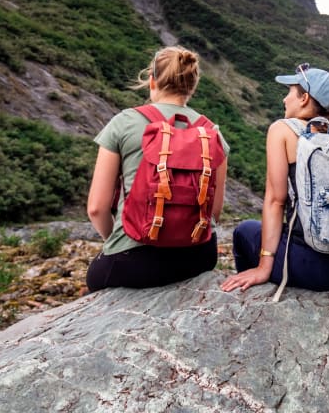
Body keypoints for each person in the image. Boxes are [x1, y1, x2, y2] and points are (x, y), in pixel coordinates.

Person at [85, 46, 229, 291]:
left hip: (133, 262)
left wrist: (116, 242)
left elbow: (96, 208)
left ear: (152, 81)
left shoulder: (124, 122)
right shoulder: (212, 133)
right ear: (192, 86)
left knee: (95, 277)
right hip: (199, 257)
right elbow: (214, 212)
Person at [221, 64, 329, 293]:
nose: (284, 99)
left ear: (304, 99)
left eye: (289, 92)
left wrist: (263, 267)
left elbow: (275, 201)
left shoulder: (282, 130)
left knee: (245, 231)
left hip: (314, 269)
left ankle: (250, 295)